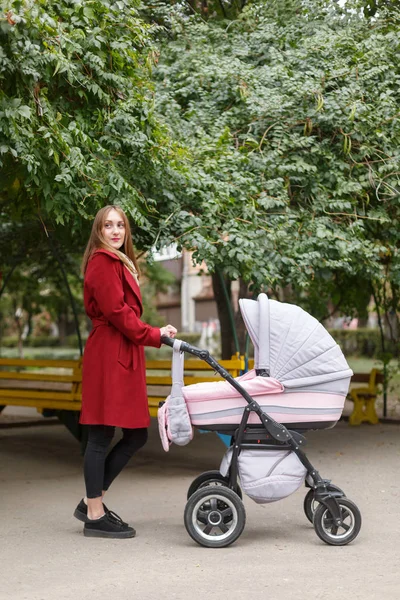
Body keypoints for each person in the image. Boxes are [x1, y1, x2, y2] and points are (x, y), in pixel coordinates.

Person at [73, 205, 177, 539]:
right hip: (110, 354)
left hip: (121, 353)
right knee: (102, 434)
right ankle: (94, 510)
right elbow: (117, 312)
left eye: (120, 225)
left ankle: (92, 501)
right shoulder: (102, 262)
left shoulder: (118, 262)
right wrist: (155, 334)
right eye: (108, 225)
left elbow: (122, 313)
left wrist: (152, 334)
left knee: (136, 434)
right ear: (98, 231)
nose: (116, 231)